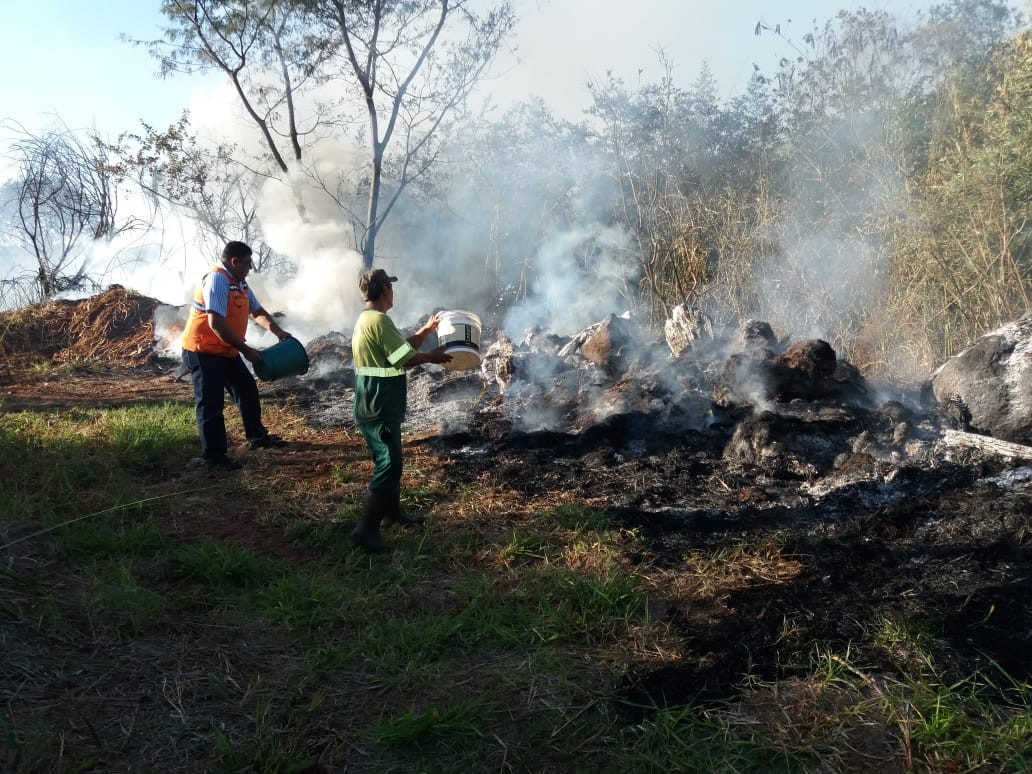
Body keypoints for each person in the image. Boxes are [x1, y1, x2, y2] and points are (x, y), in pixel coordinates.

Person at [350, 268, 452, 551]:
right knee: (389, 464)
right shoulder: (380, 322)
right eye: (390, 287)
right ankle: (366, 529)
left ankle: (391, 514)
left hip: (376, 401)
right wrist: (433, 356)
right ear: (384, 290)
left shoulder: (368, 319)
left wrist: (425, 332)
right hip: (379, 403)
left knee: (392, 460)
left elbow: (398, 352)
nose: (393, 292)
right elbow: (403, 360)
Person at [181, 240, 292, 470]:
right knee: (211, 403)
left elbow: (257, 311)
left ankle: (258, 438)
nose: (249, 268)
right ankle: (213, 457)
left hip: (225, 349)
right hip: (203, 350)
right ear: (234, 261)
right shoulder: (217, 280)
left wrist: (278, 332)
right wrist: (247, 351)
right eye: (247, 263)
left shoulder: (239, 283)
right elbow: (216, 323)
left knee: (247, 389)